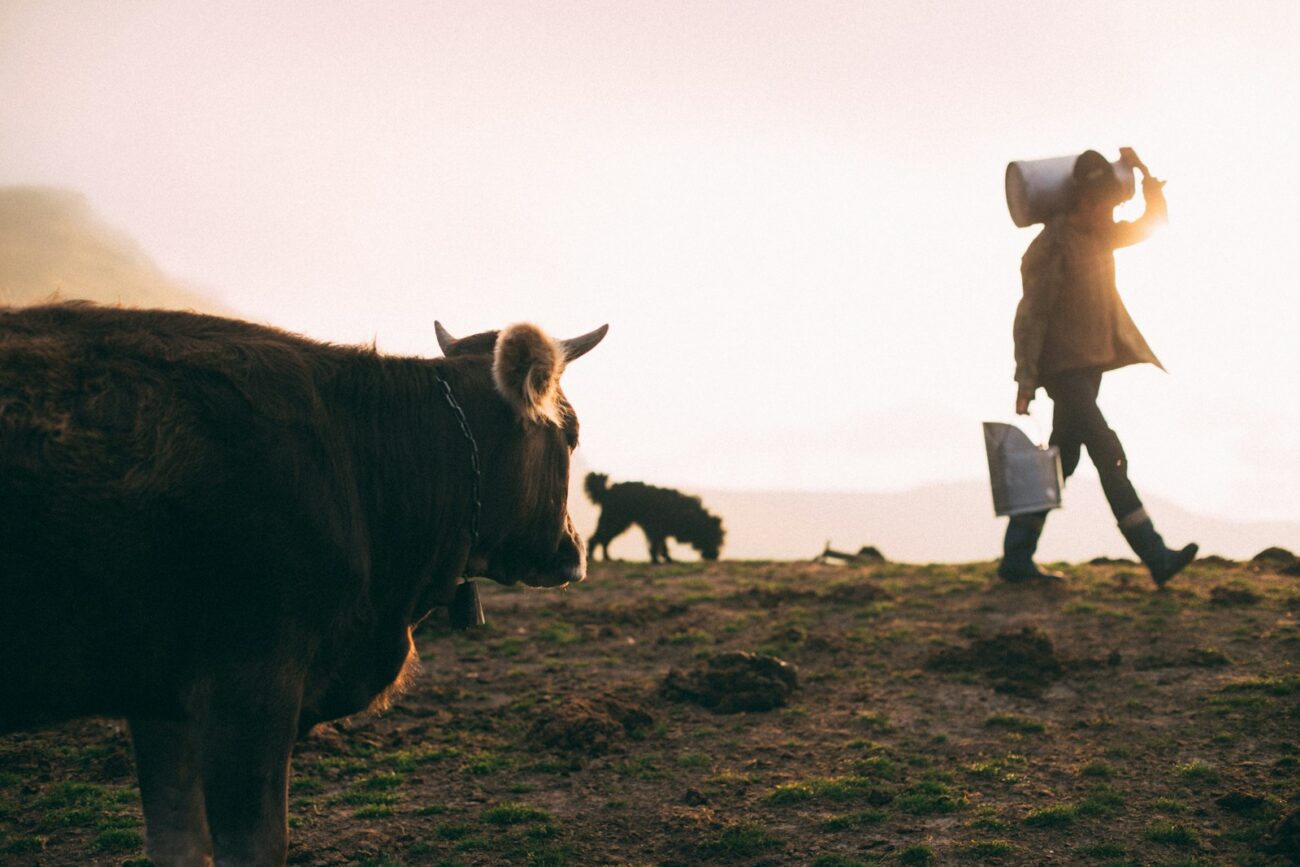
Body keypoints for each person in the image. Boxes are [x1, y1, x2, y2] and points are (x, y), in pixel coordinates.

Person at [1002, 147, 1198, 587]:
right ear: (1081, 203)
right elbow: (1030, 317)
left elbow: (1154, 224)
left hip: (1089, 368)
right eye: (1103, 206)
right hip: (1063, 371)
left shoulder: (1100, 234)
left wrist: (1146, 175)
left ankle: (1016, 558)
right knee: (1108, 451)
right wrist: (1026, 380)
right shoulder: (1051, 247)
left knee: (1063, 460)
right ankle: (1155, 553)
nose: (1109, 214)